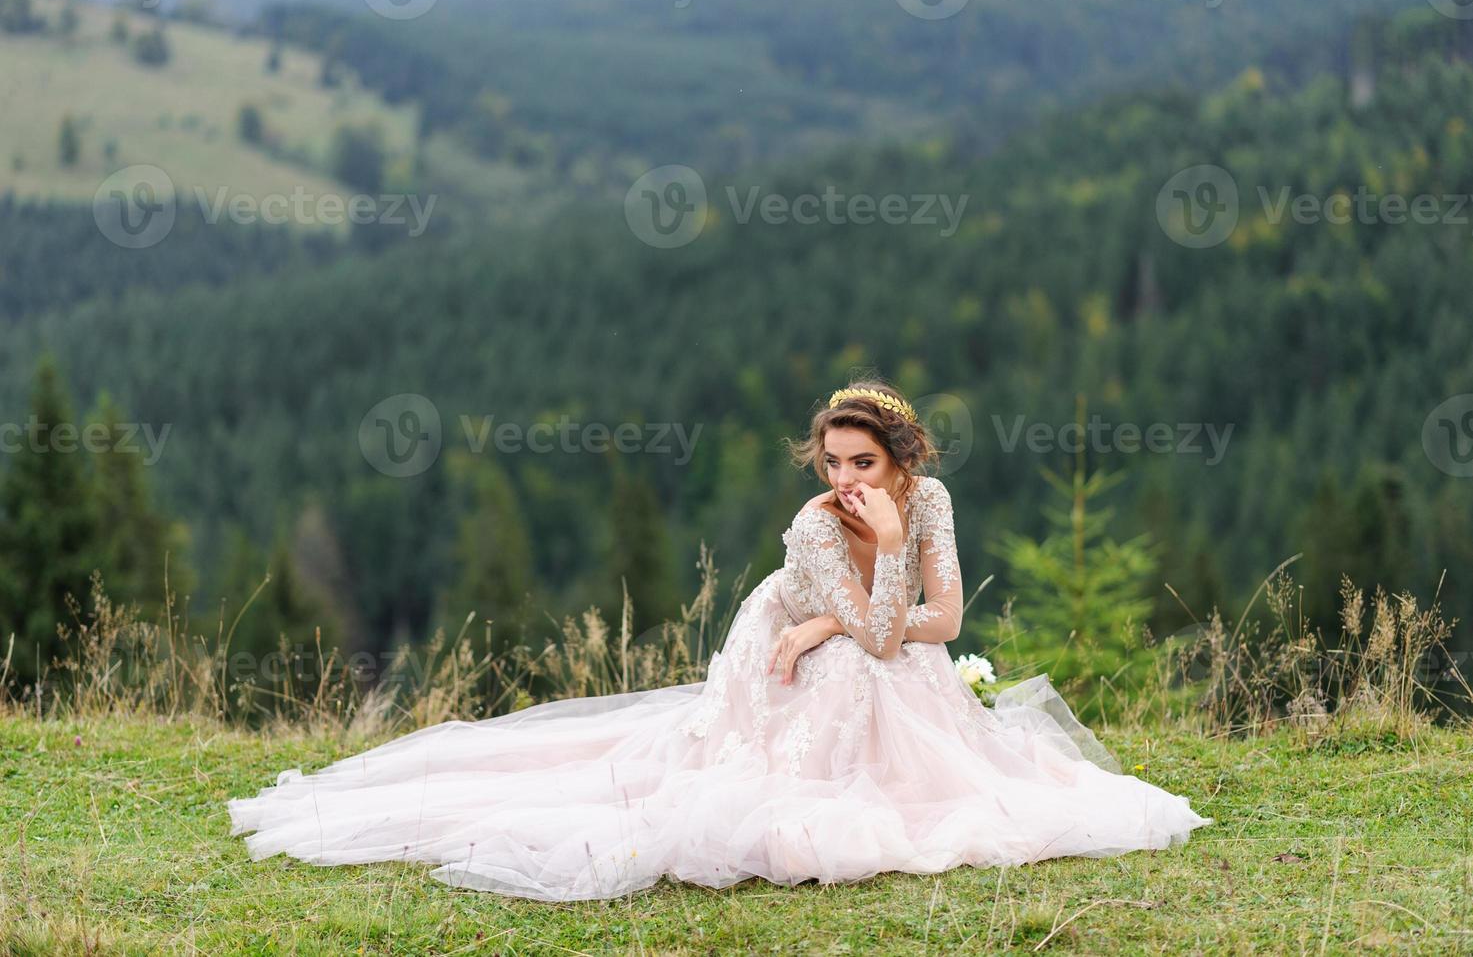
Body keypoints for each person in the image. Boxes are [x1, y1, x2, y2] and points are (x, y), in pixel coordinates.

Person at [228, 381, 1212, 901]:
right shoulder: (817, 525)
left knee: (879, 673)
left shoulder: (932, 500)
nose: (844, 476)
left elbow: (942, 622)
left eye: (863, 461)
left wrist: (850, 601)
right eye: (831, 460)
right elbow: (873, 637)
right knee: (840, 677)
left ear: (905, 458)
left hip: (856, 633)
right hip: (787, 640)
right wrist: (840, 594)